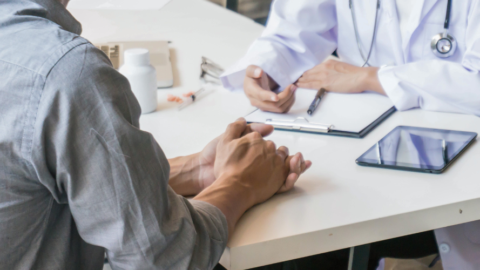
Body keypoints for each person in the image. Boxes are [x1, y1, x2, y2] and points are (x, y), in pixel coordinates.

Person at [0, 0, 313, 269]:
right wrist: (240, 184)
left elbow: (26, 186)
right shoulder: (64, 73)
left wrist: (191, 170)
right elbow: (159, 260)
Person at [220, 0, 480, 268]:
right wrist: (265, 73)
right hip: (357, 155)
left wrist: (372, 78)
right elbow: (292, 32)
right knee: (282, 226)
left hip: (453, 176)